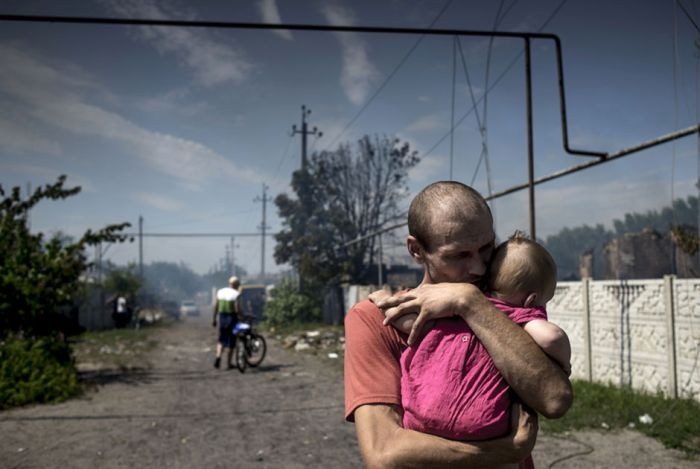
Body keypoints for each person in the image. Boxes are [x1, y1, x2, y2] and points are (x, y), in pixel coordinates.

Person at [344, 181, 573, 468]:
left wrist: (469, 302)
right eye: (458, 255)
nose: (478, 268)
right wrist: (506, 451)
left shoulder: (499, 306)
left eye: (487, 248)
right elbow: (385, 453)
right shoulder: (376, 319)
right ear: (417, 250)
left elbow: (555, 399)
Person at [397, 231, 571, 449]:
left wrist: (386, 301)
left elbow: (411, 322)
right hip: (480, 427)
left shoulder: (455, 306)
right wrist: (565, 363)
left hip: (419, 417)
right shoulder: (524, 317)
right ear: (531, 299)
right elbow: (551, 337)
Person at [212, 276, 241, 369]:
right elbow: (237, 309)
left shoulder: (220, 291)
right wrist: (242, 315)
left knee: (221, 340)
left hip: (222, 318)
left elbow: (216, 306)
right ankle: (229, 363)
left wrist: (214, 319)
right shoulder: (236, 293)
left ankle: (218, 357)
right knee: (231, 341)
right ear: (236, 285)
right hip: (232, 318)